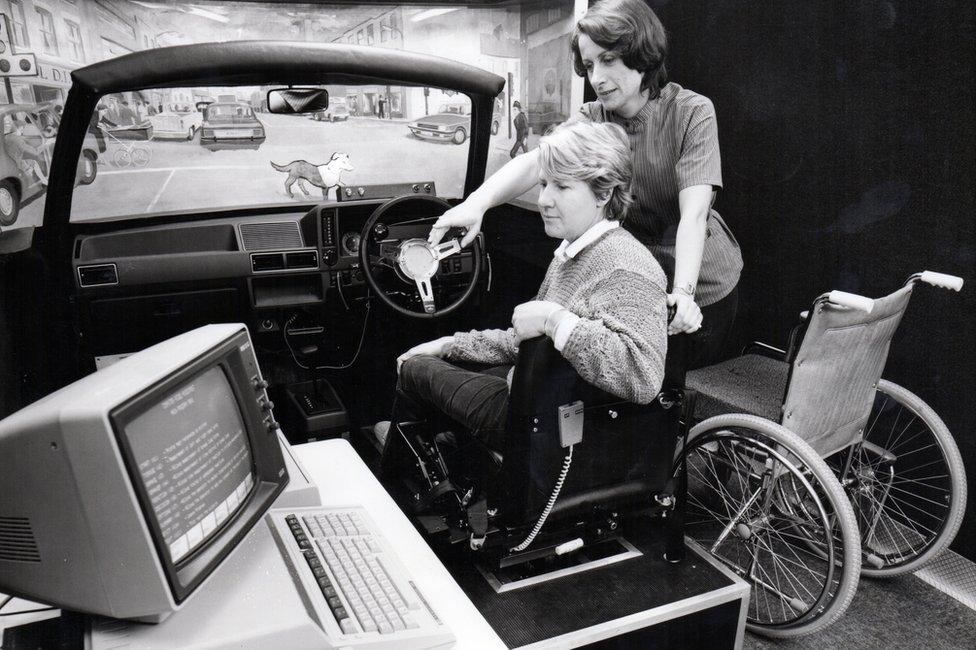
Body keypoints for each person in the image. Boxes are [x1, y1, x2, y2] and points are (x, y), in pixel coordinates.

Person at [429, 0, 742, 370]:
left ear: (642, 55)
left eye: (609, 60)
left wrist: (684, 293)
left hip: (701, 286)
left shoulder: (691, 111)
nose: (596, 78)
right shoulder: (593, 117)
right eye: (590, 64)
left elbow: (695, 215)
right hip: (640, 282)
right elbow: (535, 162)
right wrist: (476, 205)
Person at [379, 120, 668, 465]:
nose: (543, 199)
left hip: (540, 425)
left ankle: (392, 478)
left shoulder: (625, 265)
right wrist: (449, 344)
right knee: (442, 374)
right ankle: (439, 459)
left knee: (413, 369)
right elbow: (522, 340)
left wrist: (554, 319)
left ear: (604, 193)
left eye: (561, 186)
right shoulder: (575, 251)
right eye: (544, 184)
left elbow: (641, 375)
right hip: (539, 407)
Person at [4, 118, 48, 186]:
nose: (22, 131)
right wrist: (46, 144)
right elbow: (35, 151)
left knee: (33, 161)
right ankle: (44, 181)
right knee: (35, 161)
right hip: (21, 165)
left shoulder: (6, 138)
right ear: (17, 128)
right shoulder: (18, 140)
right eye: (22, 129)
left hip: (12, 163)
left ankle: (44, 181)